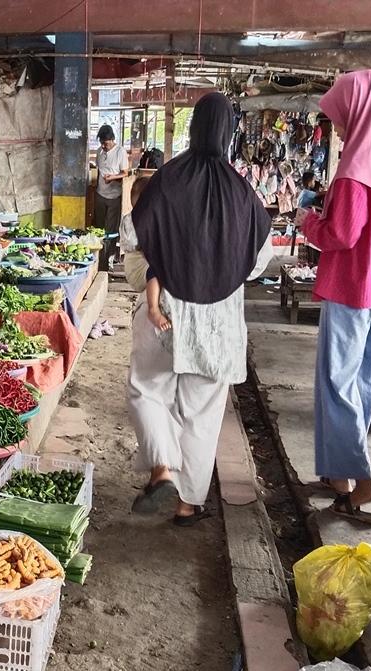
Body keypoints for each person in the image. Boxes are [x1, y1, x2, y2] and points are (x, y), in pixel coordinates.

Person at [126, 94, 273, 526]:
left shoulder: (168, 179)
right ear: (229, 133)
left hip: (165, 307)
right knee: (202, 411)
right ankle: (188, 503)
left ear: (192, 130)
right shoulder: (243, 192)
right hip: (218, 318)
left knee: (147, 390)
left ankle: (162, 469)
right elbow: (259, 260)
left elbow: (134, 236)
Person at [295, 70, 371, 525]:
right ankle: (336, 476)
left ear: (358, 111)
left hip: (352, 289)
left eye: (340, 117)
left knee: (336, 385)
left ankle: (361, 481)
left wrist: (307, 219)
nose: (338, 127)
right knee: (364, 383)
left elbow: (341, 234)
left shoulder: (353, 170)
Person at [93, 124, 128, 271]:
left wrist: (113, 177)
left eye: (106, 143)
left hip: (114, 196)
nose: (104, 146)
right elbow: (98, 168)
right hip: (100, 194)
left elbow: (125, 173)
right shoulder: (99, 152)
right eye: (102, 143)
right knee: (98, 227)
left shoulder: (120, 152)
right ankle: (98, 258)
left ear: (112, 140)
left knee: (111, 229)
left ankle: (109, 258)